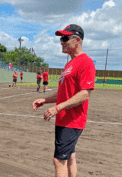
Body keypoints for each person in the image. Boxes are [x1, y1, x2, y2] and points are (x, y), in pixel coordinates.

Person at [32, 24, 95, 177]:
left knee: (59, 160)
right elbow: (63, 93)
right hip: (64, 119)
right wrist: (45, 100)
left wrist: (57, 108)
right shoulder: (69, 65)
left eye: (65, 38)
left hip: (72, 120)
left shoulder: (85, 62)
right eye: (61, 39)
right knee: (70, 156)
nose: (62, 42)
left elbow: (84, 94)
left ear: (77, 40)